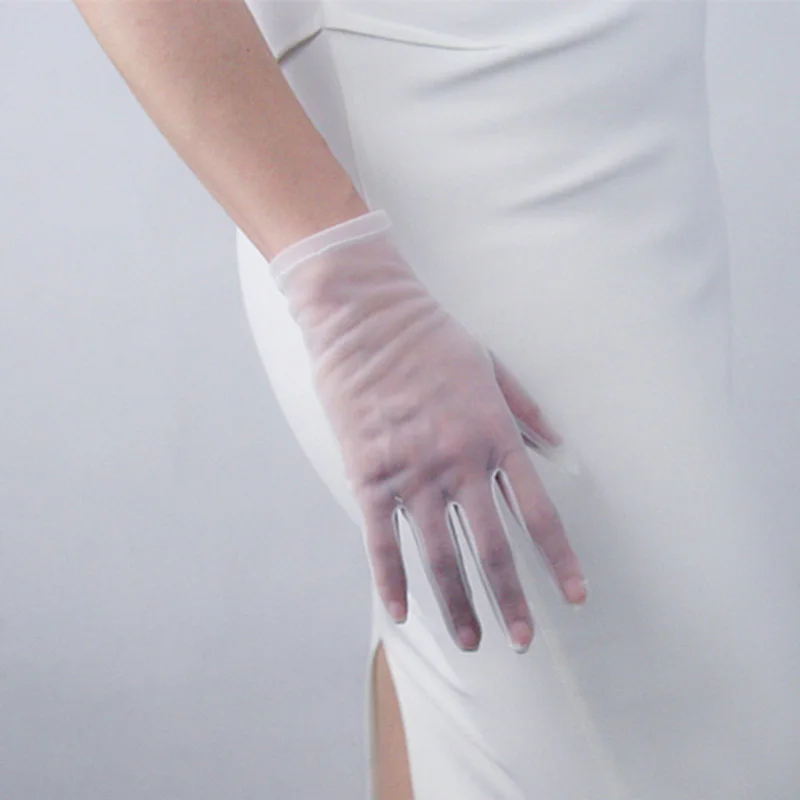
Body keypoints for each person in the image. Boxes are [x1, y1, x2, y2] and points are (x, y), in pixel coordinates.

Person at [74, 1, 800, 798]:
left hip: (629, 207)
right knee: (705, 758)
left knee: (484, 742)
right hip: (465, 254)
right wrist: (352, 295)